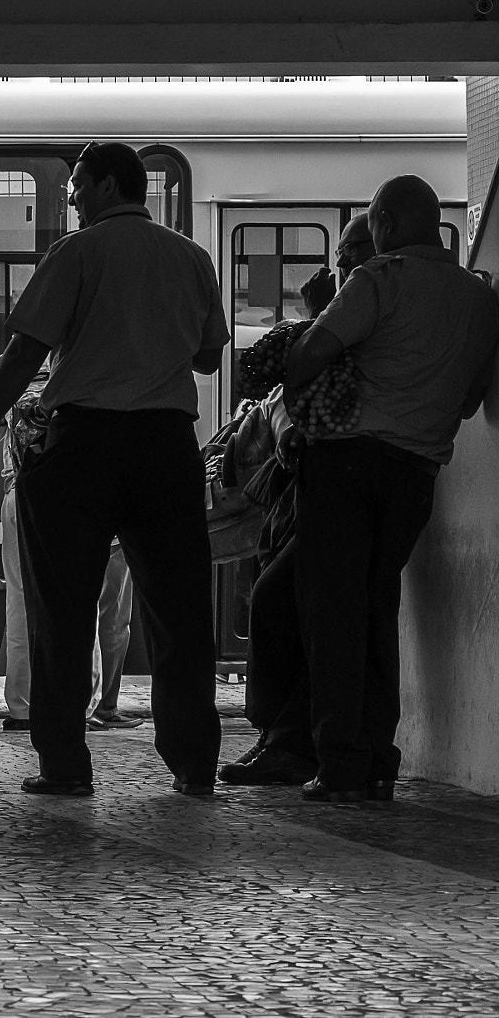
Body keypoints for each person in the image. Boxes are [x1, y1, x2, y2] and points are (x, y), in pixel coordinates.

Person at [0, 142, 227, 798]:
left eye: (78, 185)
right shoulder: (191, 257)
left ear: (109, 185)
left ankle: (65, 764)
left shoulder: (77, 254)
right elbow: (209, 359)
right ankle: (193, 762)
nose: (72, 197)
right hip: (166, 445)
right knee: (180, 612)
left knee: (64, 608)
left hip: (85, 443)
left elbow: (26, 350)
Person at [279, 175, 498, 802]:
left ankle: (340, 761)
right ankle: (378, 759)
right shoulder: (480, 299)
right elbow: (470, 400)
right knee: (378, 609)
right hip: (416, 474)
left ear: (388, 223)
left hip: (346, 466)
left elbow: (309, 355)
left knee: (333, 615)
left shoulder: (379, 279)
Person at [223, 213, 377, 787]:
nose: (342, 264)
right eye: (340, 253)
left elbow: (316, 375)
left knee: (281, 600)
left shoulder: (372, 303)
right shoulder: (352, 306)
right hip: (311, 480)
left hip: (346, 478)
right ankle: (286, 736)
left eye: (353, 249)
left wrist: (316, 320)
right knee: (285, 597)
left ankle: (294, 741)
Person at [0, 361, 140, 735]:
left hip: (20, 493)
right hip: (74, 496)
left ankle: (24, 704)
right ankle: (84, 705)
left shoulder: (6, 367)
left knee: (21, 602)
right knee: (83, 603)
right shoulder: (89, 367)